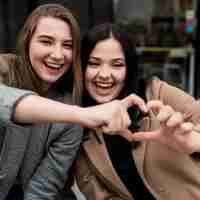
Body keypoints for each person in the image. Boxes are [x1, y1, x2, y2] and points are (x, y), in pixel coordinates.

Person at [0, 5, 146, 200]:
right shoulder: (4, 68)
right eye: (46, 41)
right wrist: (83, 114)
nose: (58, 55)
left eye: (67, 45)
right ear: (27, 41)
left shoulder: (70, 107)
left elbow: (43, 188)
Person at [74, 22, 200, 200]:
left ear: (130, 68)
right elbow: (99, 194)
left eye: (117, 65)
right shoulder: (79, 122)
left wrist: (194, 141)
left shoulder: (157, 93)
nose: (104, 74)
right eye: (94, 64)